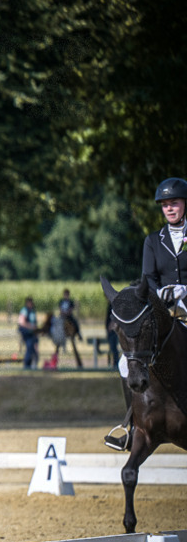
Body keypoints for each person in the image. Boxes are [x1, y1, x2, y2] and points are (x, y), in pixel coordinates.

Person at [105, 177, 187, 450]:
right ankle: (131, 426)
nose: (169, 209)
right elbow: (147, 278)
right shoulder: (153, 240)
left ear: (184, 204)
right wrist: (160, 293)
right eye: (165, 205)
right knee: (123, 363)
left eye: (174, 203)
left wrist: (184, 289)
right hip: (165, 311)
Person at [17, 297, 38, 369]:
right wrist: (30, 326)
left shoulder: (32, 311)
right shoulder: (24, 310)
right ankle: (26, 366)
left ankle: (33, 365)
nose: (31, 304)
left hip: (33, 333)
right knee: (29, 348)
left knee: (34, 349)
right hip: (27, 333)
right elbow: (21, 322)